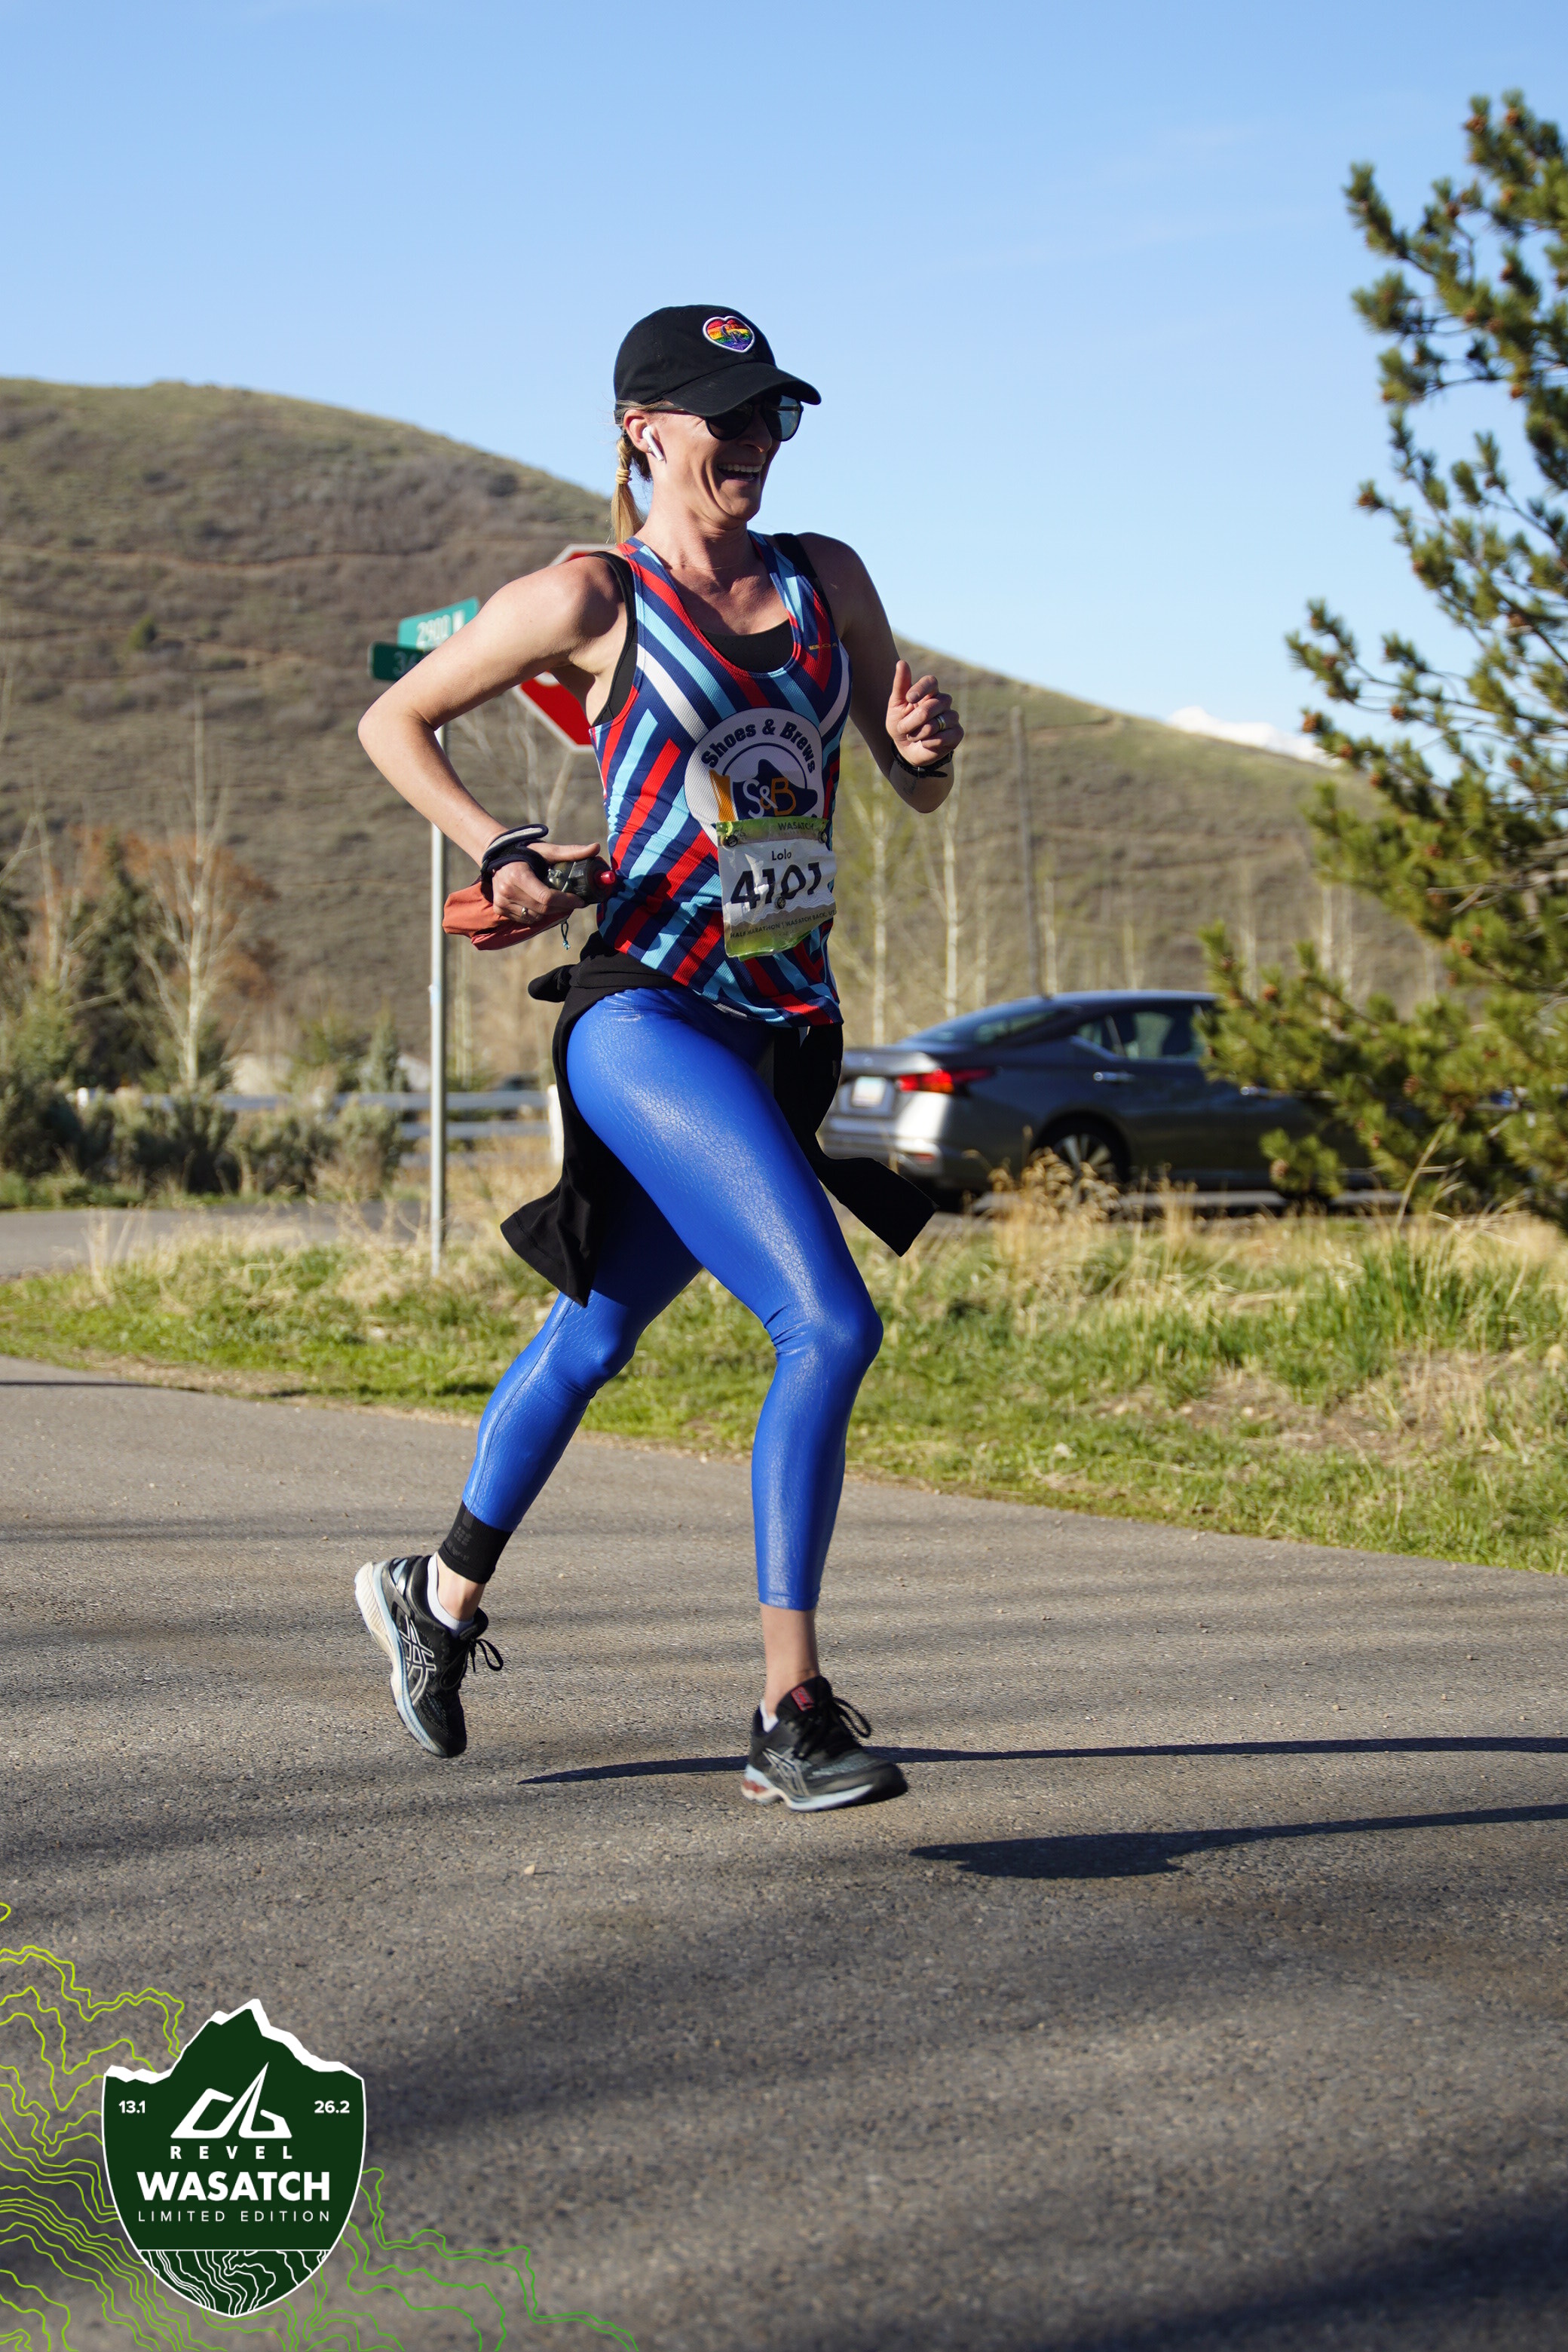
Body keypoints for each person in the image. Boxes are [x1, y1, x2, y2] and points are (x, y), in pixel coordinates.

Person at [354, 305, 963, 1811]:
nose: (755, 441)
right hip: (645, 1016)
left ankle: (436, 1595)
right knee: (827, 1325)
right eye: (725, 416)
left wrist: (924, 751)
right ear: (644, 428)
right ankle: (789, 1712)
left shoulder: (826, 580)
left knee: (596, 1334)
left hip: (780, 1032)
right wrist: (499, 843)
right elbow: (395, 720)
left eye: (773, 416)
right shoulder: (593, 592)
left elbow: (904, 783)